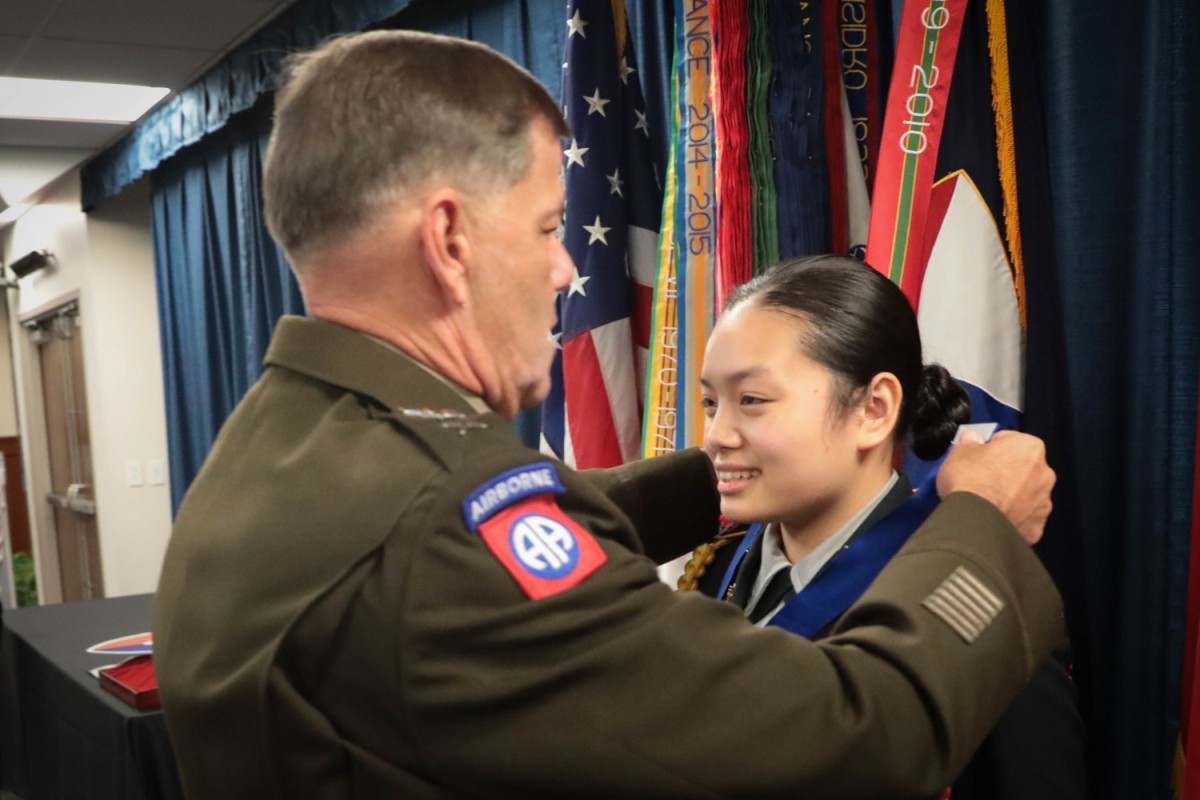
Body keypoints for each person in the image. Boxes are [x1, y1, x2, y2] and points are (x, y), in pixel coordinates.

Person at [152, 30, 1065, 799]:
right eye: (550, 228)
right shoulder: (443, 527)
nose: (563, 272)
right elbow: (860, 738)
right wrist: (979, 526)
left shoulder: (292, 436)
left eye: (755, 400)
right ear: (449, 239)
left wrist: (729, 472)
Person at [685, 254, 1086, 799]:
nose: (717, 434)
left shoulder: (980, 603)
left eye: (752, 400)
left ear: (874, 409)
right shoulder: (715, 569)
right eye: (712, 402)